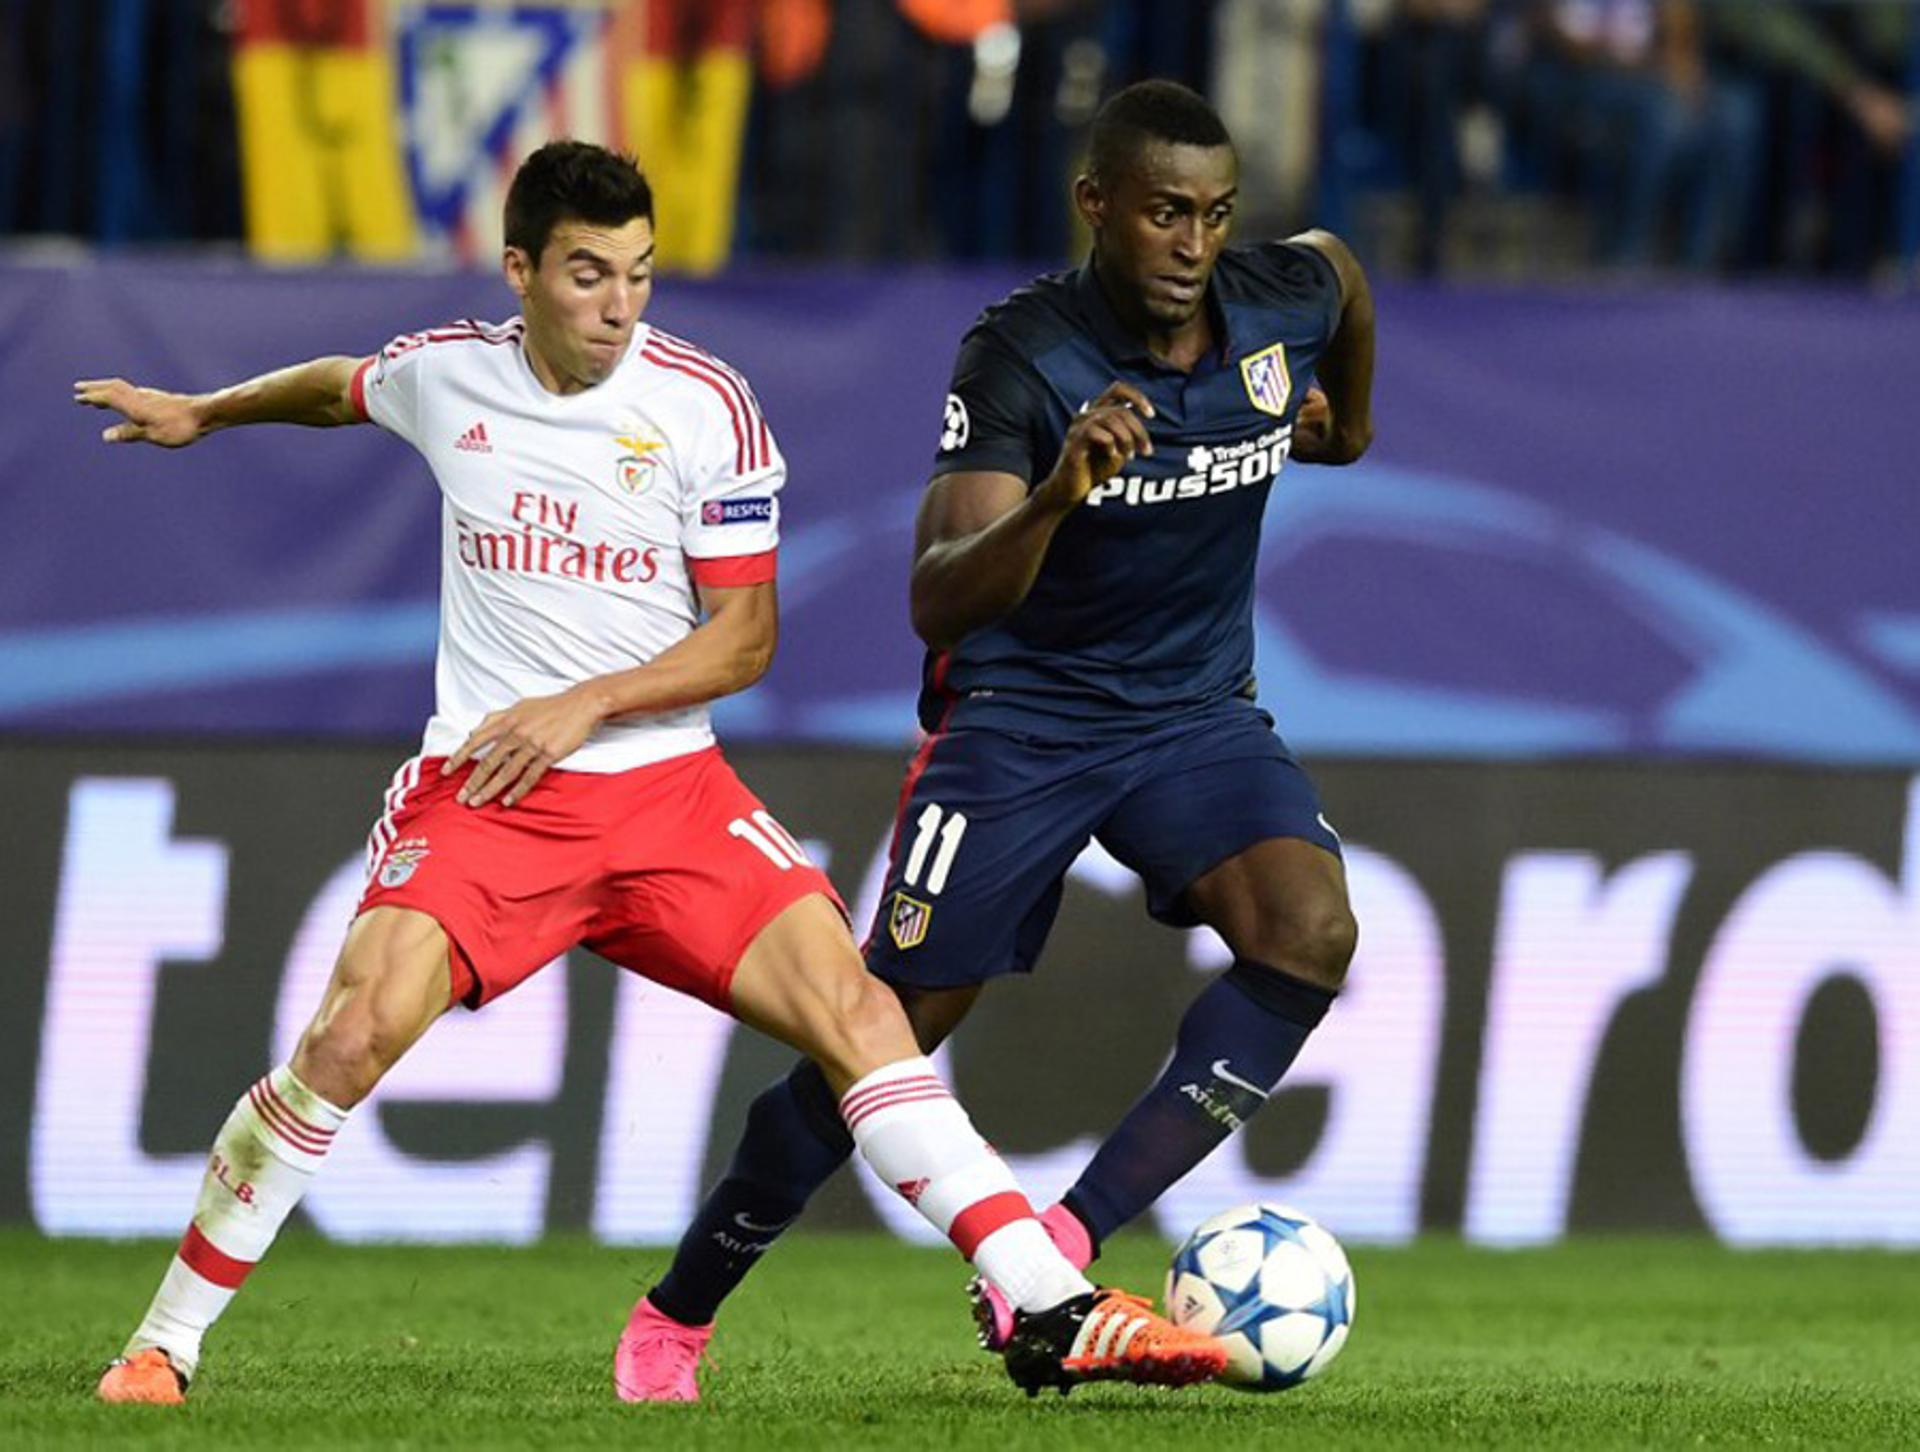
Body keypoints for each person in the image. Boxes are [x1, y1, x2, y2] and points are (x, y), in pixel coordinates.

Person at [75, 139, 1224, 1406]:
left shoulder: (703, 407)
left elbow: (746, 639)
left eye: (639, 273)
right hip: (492, 795)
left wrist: (585, 705)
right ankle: (163, 1345)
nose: (621, 306)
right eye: (587, 275)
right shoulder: (446, 375)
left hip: (671, 795)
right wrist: (205, 412)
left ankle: (1052, 1306)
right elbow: (338, 383)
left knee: (860, 1020)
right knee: (347, 1037)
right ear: (520, 273)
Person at [618, 80, 1374, 1402]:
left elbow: (1343, 276)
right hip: (1021, 720)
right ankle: (676, 1314)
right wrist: (1060, 493)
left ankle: (1061, 1244)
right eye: (1162, 215)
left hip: (1193, 715)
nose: (1192, 245)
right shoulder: (1024, 357)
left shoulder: (1277, 305)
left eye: (1212, 215)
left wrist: (1345, 428)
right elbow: (939, 594)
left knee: (1309, 932)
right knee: (882, 1030)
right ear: (1097, 207)